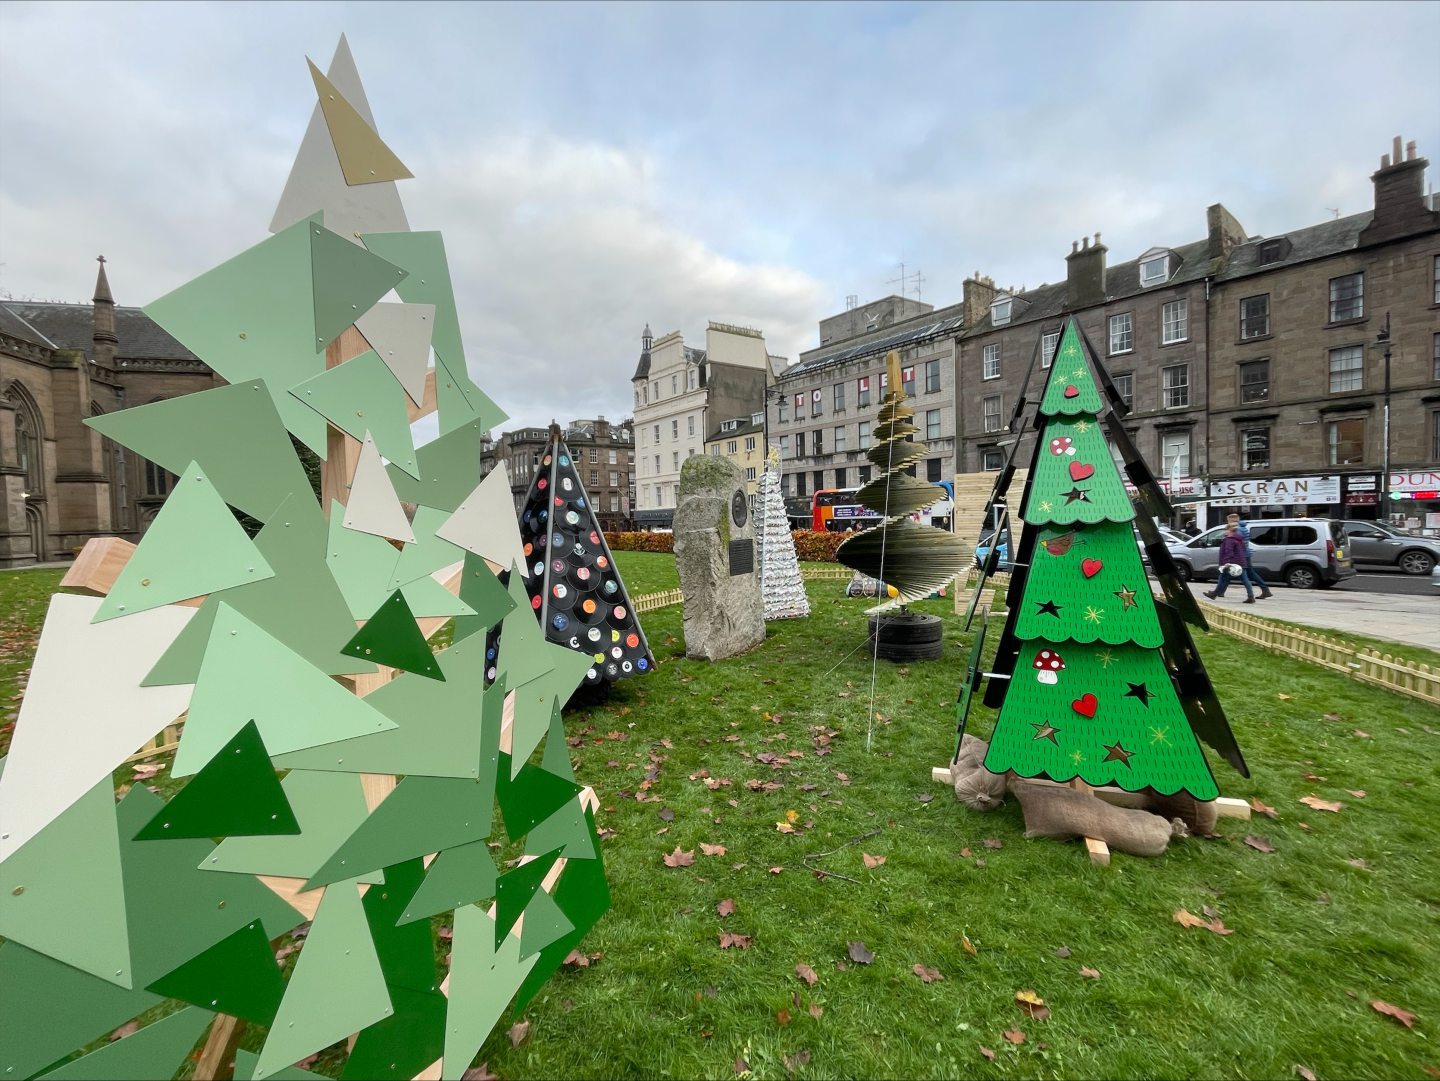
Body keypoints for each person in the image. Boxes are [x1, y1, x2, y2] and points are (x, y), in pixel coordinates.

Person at [1203, 523, 1255, 603]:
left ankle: (1214, 594)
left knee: (1222, 577)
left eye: (1225, 530)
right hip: (1240, 562)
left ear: (1229, 530)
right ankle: (1251, 596)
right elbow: (1243, 549)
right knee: (1245, 579)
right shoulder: (1239, 538)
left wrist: (1227, 563)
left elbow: (1228, 551)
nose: (1224, 532)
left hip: (1231, 563)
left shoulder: (1229, 539)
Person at [1227, 512, 1274, 599]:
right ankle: (1265, 590)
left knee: (1243, 575)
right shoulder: (1243, 528)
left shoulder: (1238, 530)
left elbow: (1238, 544)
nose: (1228, 523)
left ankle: (1258, 592)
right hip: (1246, 554)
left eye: (1228, 521)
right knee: (1250, 573)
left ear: (1232, 521)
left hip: (1242, 555)